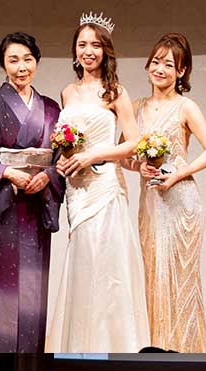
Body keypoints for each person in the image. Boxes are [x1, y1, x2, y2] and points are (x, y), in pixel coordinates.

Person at [47, 14, 149, 352]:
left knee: (108, 263)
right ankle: (80, 343)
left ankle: (113, 343)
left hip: (105, 185)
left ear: (105, 50)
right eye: (82, 45)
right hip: (76, 189)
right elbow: (66, 142)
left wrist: (94, 155)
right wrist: (64, 158)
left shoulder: (115, 92)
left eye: (95, 45)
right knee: (83, 260)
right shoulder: (67, 92)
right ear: (74, 51)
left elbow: (134, 143)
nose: (88, 51)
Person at [0, 31, 65, 352]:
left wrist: (47, 176)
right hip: (6, 206)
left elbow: (63, 156)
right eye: (13, 60)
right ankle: (3, 361)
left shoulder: (51, 109)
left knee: (34, 287)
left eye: (28, 59)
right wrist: (8, 173)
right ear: (3, 65)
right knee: (6, 287)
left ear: (37, 61)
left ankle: (31, 359)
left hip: (37, 205)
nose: (22, 67)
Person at [124, 33, 206, 352]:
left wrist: (179, 173)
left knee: (181, 279)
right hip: (151, 202)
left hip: (181, 203)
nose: (160, 69)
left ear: (182, 71)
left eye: (168, 64)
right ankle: (155, 348)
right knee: (152, 274)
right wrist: (138, 166)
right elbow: (123, 156)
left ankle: (186, 351)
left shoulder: (186, 107)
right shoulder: (135, 107)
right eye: (156, 62)